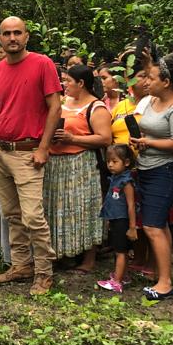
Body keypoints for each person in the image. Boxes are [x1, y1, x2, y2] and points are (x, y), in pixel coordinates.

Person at [0, 17, 63, 295]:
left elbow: (55, 108)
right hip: (0, 151)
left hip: (28, 151)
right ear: (0, 39)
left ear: (27, 36)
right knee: (11, 214)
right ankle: (21, 265)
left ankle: (44, 272)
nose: (12, 37)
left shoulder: (42, 64)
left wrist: (43, 148)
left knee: (32, 217)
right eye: (6, 33)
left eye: (17, 32)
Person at [129, 57, 173, 301]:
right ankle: (161, 272)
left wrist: (147, 143)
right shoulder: (152, 101)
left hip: (166, 172)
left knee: (152, 226)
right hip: (146, 168)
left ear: (166, 82)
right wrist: (140, 142)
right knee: (159, 224)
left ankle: (165, 283)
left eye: (152, 78)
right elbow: (148, 129)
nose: (146, 82)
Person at [44, 64, 112, 272]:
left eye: (68, 81)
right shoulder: (64, 102)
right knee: (59, 210)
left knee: (84, 210)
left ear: (81, 83)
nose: (64, 84)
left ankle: (88, 260)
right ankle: (62, 253)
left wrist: (73, 138)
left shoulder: (96, 107)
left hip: (81, 165)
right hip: (56, 163)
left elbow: (105, 138)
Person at [96, 145, 138, 293]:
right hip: (115, 219)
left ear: (126, 162)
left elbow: (131, 205)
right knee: (120, 250)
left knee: (121, 251)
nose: (110, 165)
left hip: (123, 220)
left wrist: (132, 227)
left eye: (114, 161)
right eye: (108, 161)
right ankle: (123, 275)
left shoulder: (126, 182)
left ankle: (116, 282)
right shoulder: (115, 178)